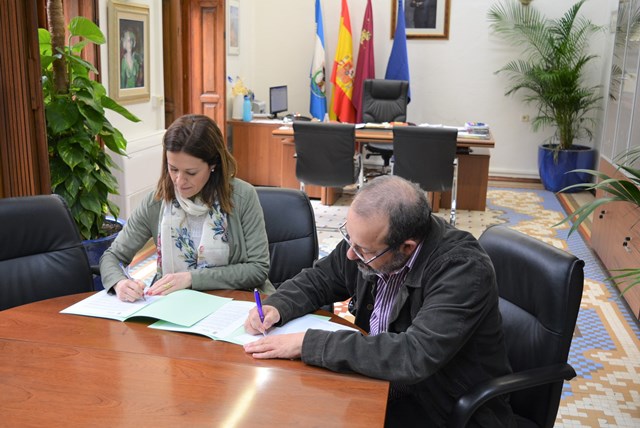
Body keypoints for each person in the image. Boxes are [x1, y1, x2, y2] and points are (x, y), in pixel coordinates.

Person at [243, 175, 515, 427]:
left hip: (439, 402)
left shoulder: (462, 269)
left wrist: (308, 343)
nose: (351, 255)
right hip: (384, 380)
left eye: (363, 250)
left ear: (406, 247)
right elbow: (322, 278)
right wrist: (277, 305)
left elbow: (414, 354)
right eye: (349, 239)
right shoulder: (367, 242)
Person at [100, 114, 274, 302]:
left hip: (237, 303)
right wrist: (120, 283)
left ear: (213, 165)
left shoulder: (242, 197)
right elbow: (112, 256)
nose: (179, 181)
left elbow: (258, 269)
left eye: (191, 173)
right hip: (174, 306)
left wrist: (192, 279)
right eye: (173, 169)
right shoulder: (156, 201)